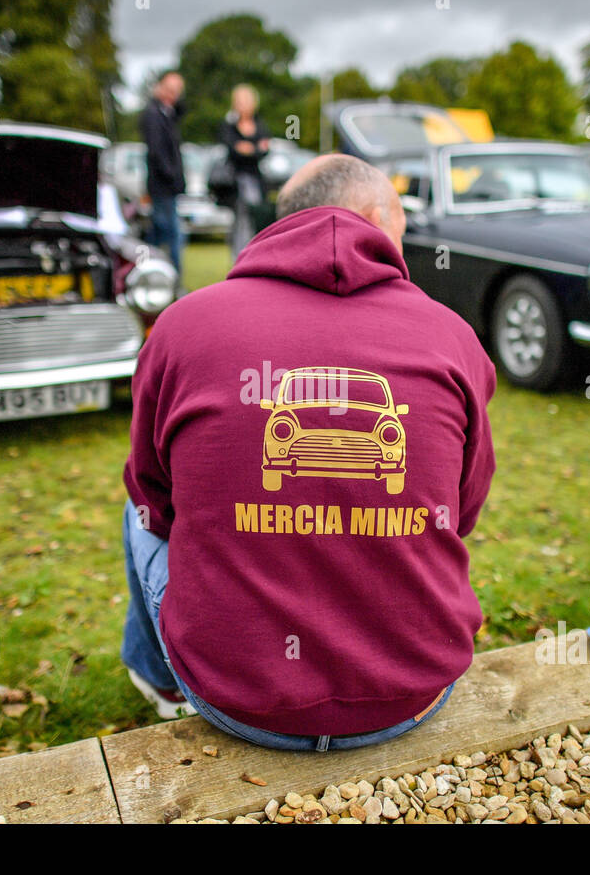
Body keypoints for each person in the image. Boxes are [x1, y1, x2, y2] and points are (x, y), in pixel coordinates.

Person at [120, 154, 497, 751]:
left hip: (236, 697)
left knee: (137, 509)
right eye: (400, 223)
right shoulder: (451, 334)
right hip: (413, 692)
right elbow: (464, 510)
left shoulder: (181, 325)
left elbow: (152, 497)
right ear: (378, 216)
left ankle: (162, 680)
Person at [138, 71, 186, 274]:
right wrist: (171, 175)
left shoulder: (167, 113)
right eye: (169, 89)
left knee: (161, 233)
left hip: (167, 186)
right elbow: (157, 151)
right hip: (162, 186)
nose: (172, 95)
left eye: (176, 91)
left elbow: (183, 110)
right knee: (170, 234)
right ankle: (169, 273)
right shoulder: (153, 114)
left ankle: (158, 271)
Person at [218, 84, 270, 257]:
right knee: (241, 221)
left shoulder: (259, 123)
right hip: (236, 182)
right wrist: (254, 148)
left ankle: (255, 256)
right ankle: (240, 257)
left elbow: (264, 149)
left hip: (256, 180)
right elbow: (235, 149)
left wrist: (250, 149)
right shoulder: (229, 125)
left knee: (256, 220)